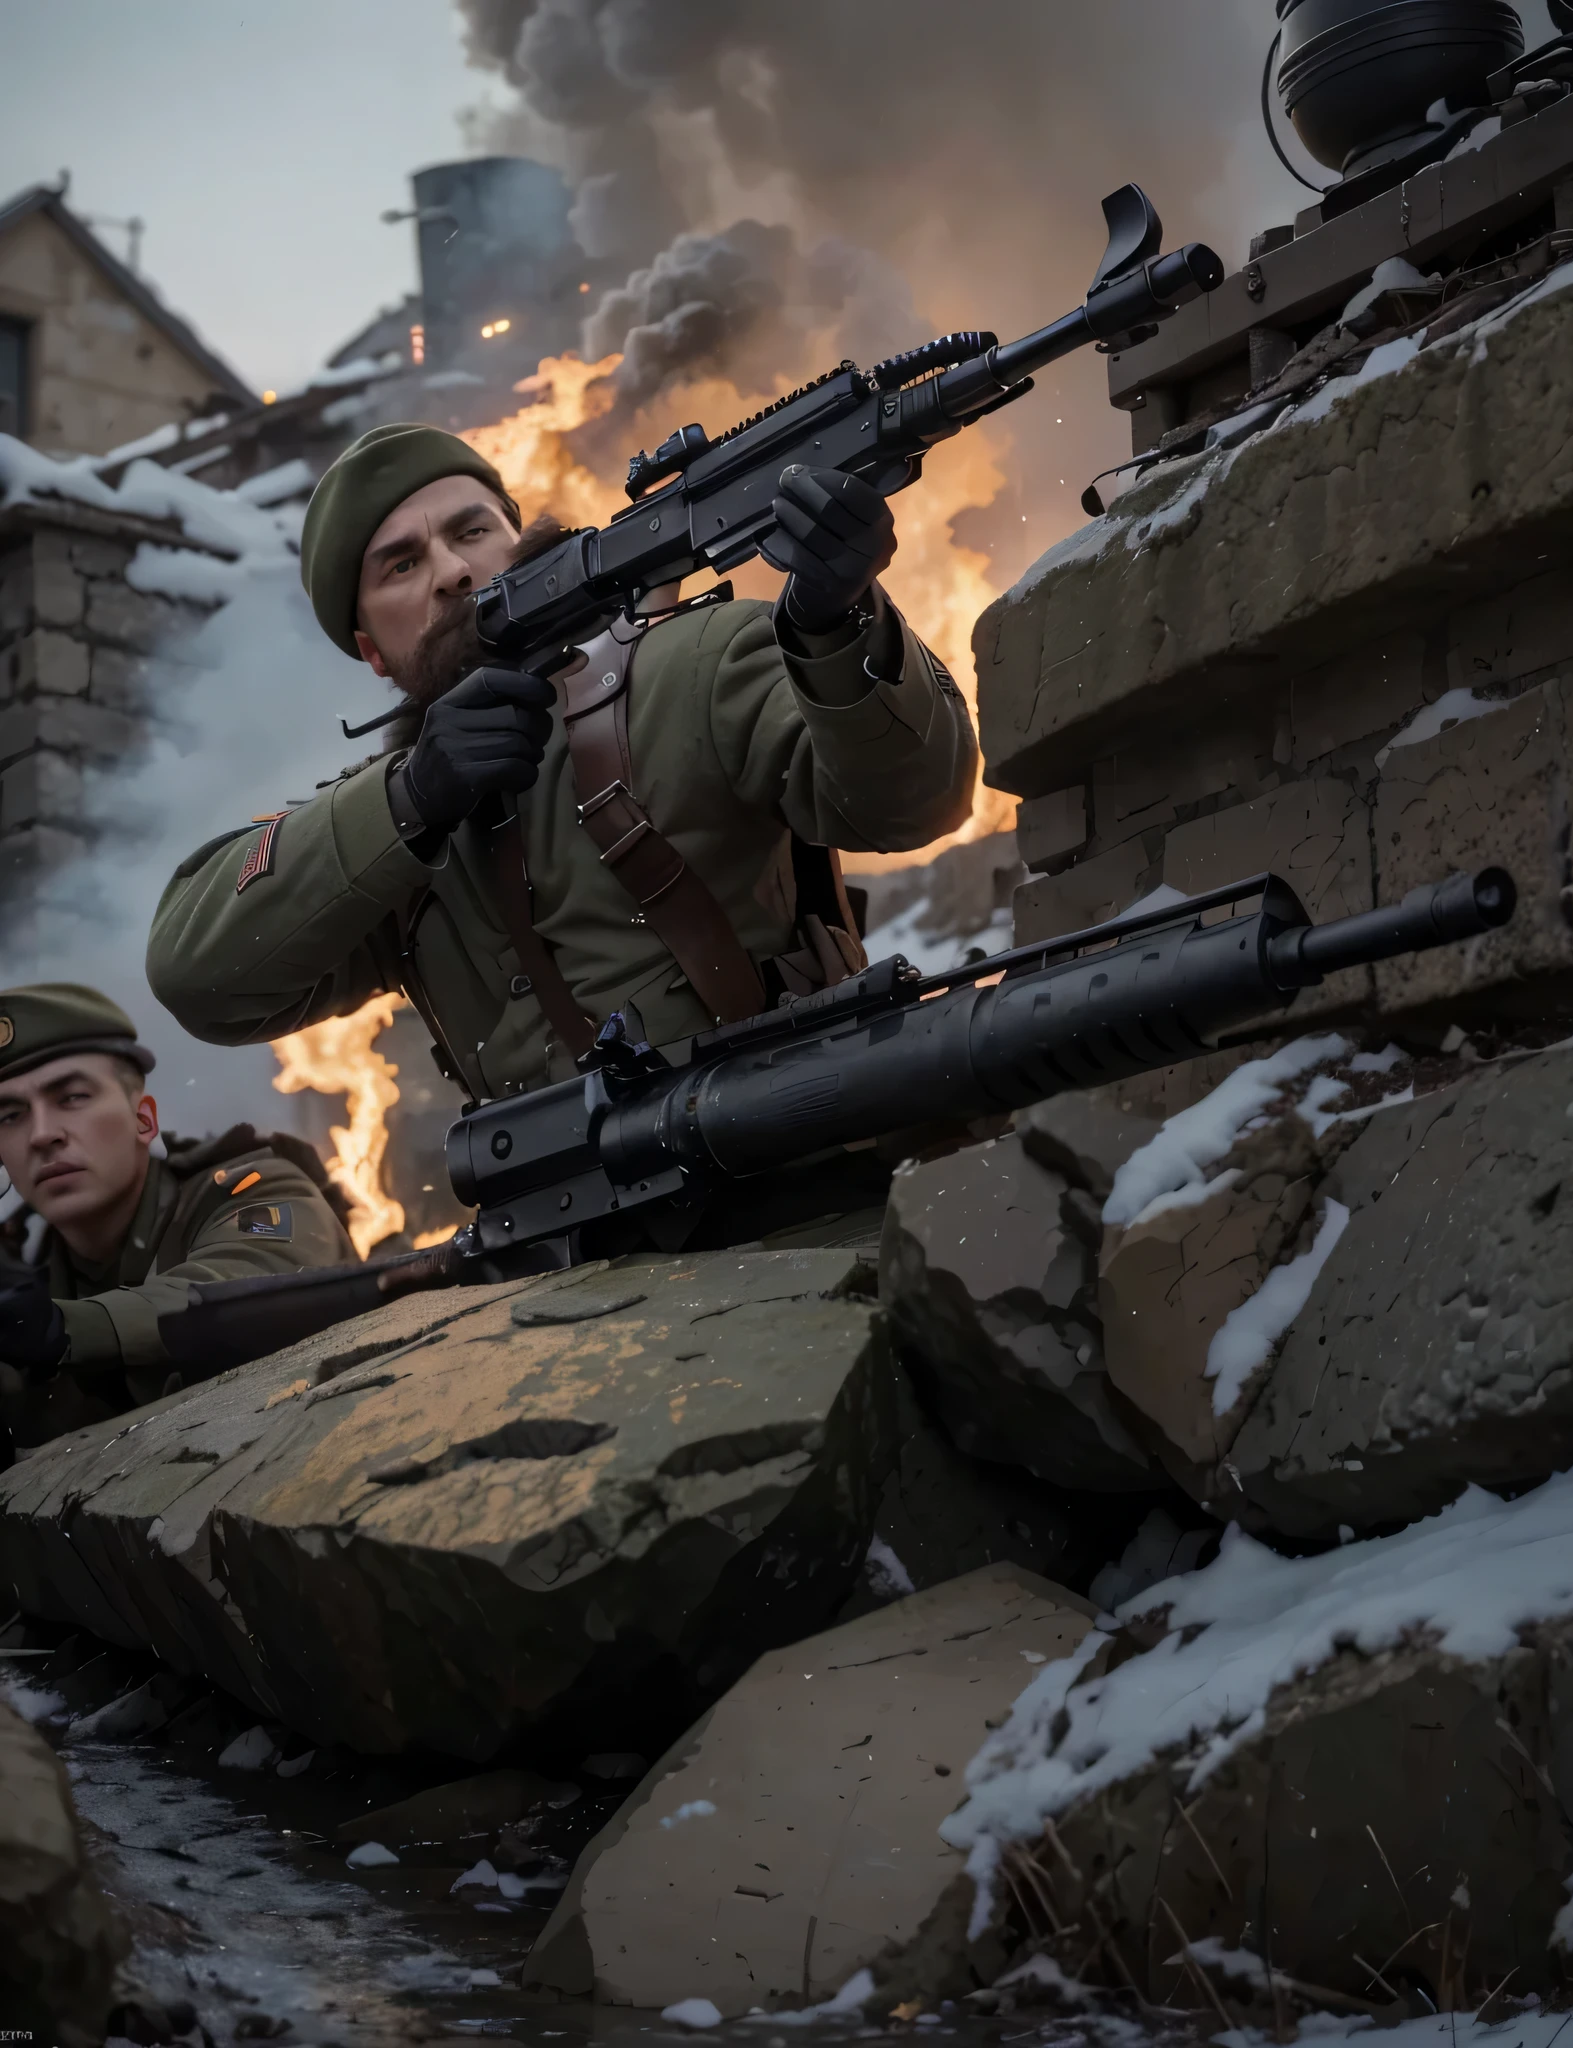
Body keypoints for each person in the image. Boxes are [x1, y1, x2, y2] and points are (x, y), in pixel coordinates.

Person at [146, 424, 978, 1110]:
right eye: (400, 564)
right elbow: (198, 978)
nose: (452, 573)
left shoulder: (694, 660)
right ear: (369, 649)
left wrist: (835, 623)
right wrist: (413, 797)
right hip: (570, 1265)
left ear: (518, 545)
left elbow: (918, 803)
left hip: (797, 1180)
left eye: (472, 531)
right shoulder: (391, 837)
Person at [0, 984, 356, 1450]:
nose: (42, 1135)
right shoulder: (28, 1274)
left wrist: (58, 1330)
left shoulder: (248, 1188)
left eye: (72, 1097)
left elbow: (243, 1284)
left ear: (143, 1121)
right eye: (10, 1115)